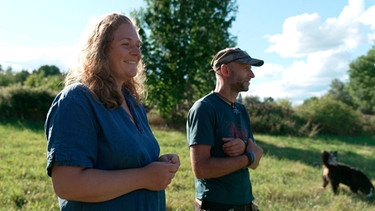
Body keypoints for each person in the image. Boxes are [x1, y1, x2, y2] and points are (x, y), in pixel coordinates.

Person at [44, 13, 180, 210]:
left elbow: (125, 161)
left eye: (138, 45)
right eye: (126, 44)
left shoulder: (133, 102)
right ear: (100, 50)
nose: (137, 53)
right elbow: (67, 184)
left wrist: (156, 165)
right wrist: (144, 177)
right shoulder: (77, 100)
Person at [186, 47, 264, 211]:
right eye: (246, 68)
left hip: (244, 201)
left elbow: (256, 159)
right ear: (225, 70)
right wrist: (247, 157)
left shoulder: (241, 110)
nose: (252, 75)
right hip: (216, 204)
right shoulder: (204, 108)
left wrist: (244, 149)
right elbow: (201, 169)